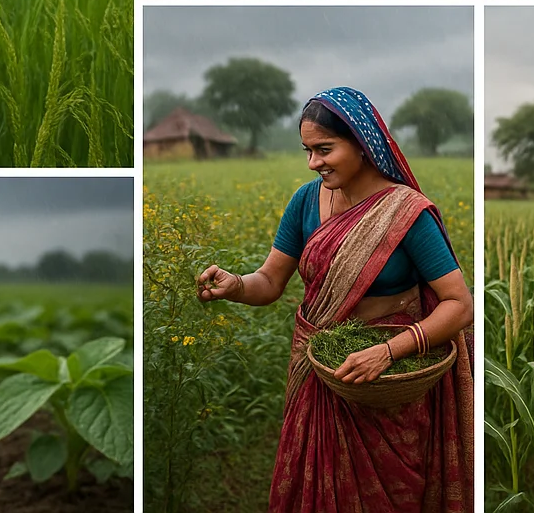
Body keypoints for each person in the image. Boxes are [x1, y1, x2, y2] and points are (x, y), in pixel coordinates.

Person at [196, 87, 474, 512]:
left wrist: (388, 351)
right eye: (307, 151)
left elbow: (459, 304)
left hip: (391, 378)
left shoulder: (406, 213)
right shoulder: (306, 200)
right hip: (322, 367)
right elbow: (270, 280)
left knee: (392, 494)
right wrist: (235, 284)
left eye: (324, 149)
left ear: (363, 145)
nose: (314, 163)